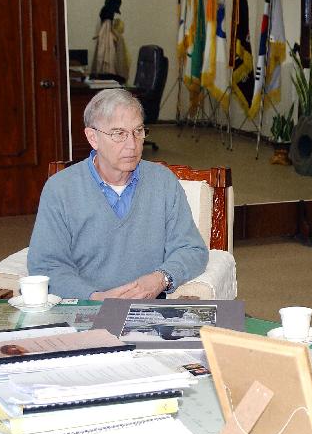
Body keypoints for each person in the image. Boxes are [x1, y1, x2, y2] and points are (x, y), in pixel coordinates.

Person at [28, 89, 208, 300]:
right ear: (92, 137)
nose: (132, 144)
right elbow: (46, 265)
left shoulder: (163, 182)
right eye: (119, 134)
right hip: (83, 308)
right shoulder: (60, 189)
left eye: (138, 131)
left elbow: (192, 249)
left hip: (148, 309)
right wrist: (94, 298)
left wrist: (162, 278)